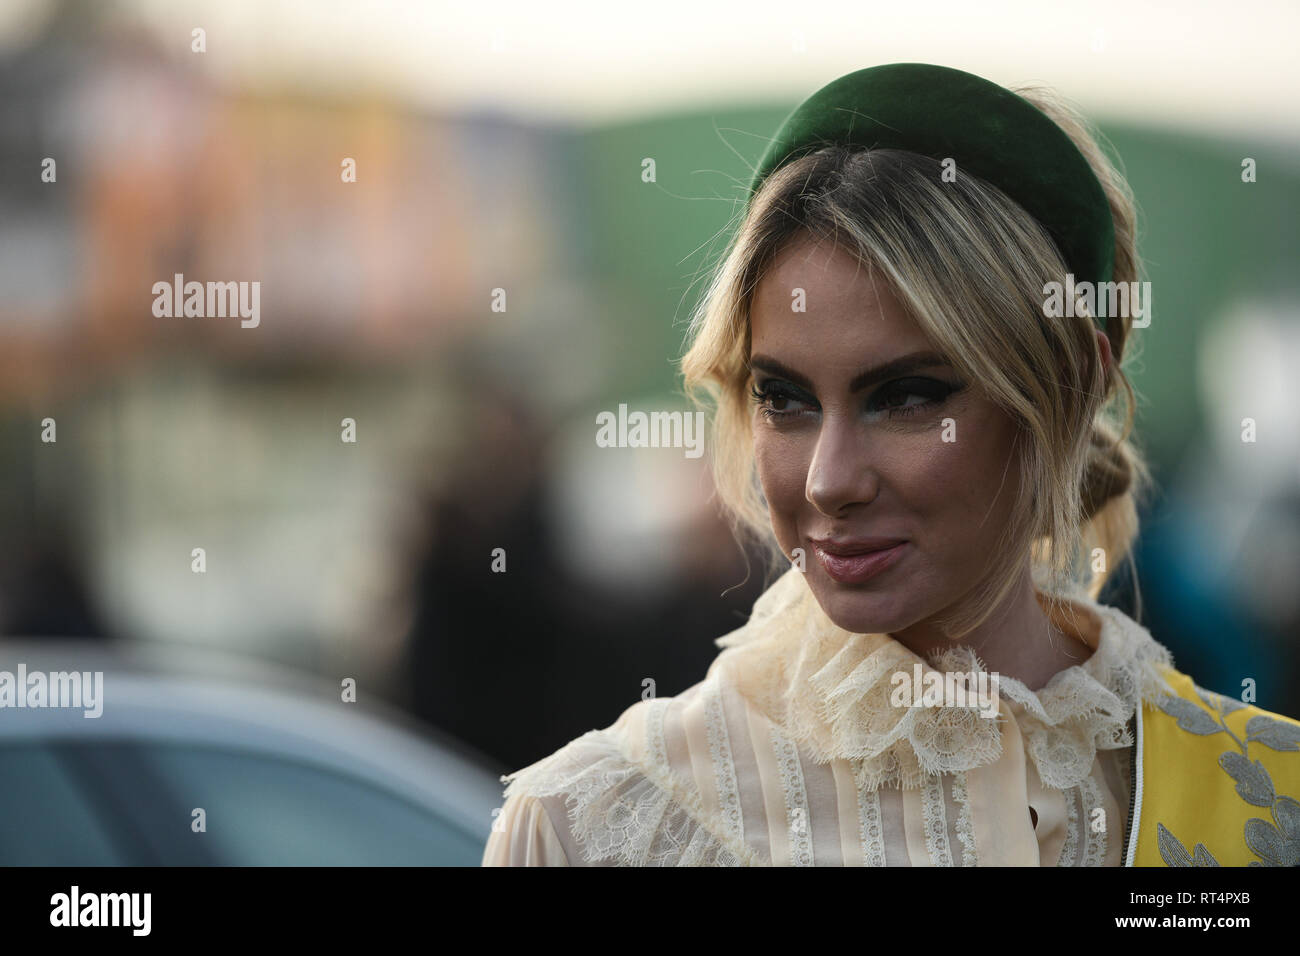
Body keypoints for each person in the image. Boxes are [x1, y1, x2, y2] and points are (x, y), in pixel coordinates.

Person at [482, 63, 1300, 866]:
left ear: (1070, 384)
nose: (828, 481)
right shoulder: (590, 828)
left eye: (906, 396)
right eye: (784, 397)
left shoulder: (1270, 796)